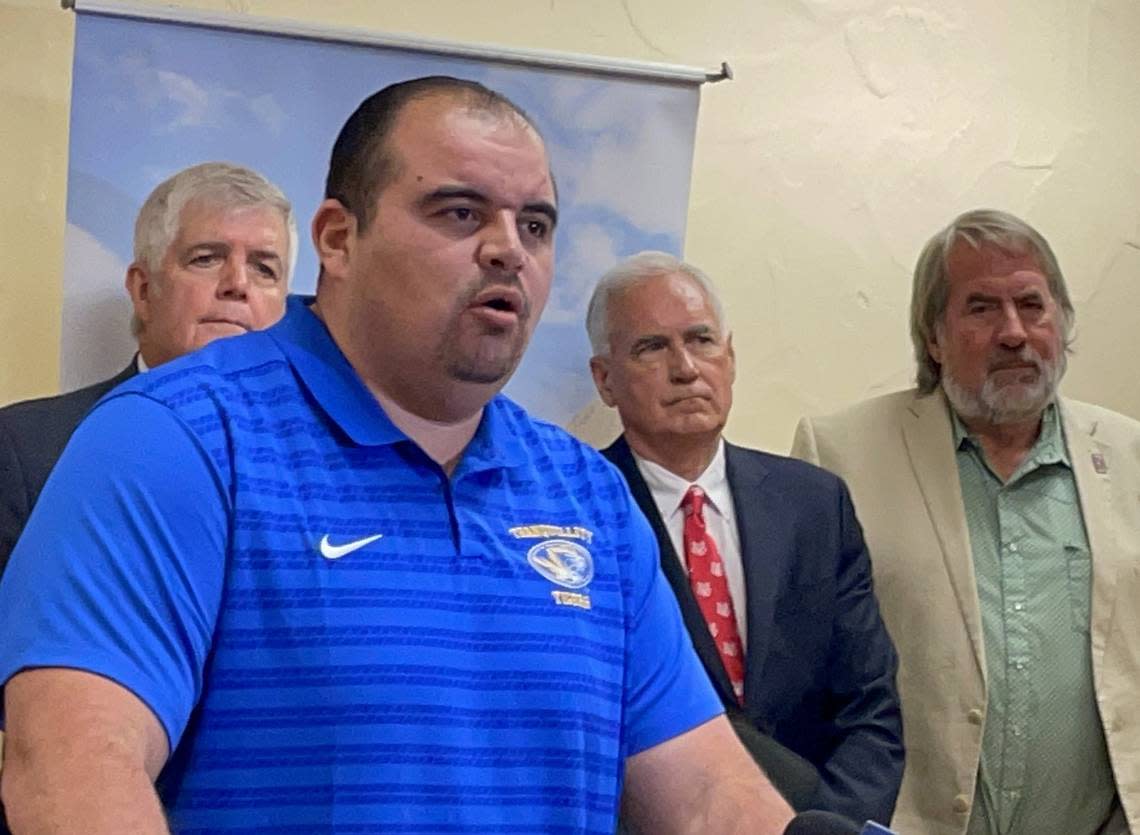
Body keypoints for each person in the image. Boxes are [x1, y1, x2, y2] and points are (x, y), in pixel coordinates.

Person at [0, 77, 795, 834]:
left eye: (537, 225)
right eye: (459, 213)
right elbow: (73, 769)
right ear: (339, 239)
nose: (508, 250)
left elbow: (706, 799)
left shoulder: (588, 494)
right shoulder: (177, 440)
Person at [792, 209, 1140, 835]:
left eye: (1032, 305)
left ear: (1060, 320)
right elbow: (802, 672)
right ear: (933, 334)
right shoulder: (840, 453)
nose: (1014, 332)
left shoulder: (1131, 458)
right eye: (981, 308)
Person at [587, 251, 903, 824]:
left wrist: (816, 830)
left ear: (730, 359)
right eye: (652, 347)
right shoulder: (578, 513)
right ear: (605, 380)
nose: (685, 367)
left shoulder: (814, 504)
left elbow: (870, 710)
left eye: (701, 340)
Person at [0, 161, 295, 572]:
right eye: (207, 258)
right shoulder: (27, 449)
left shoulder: (318, 465)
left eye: (264, 268)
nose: (237, 283)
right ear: (143, 290)